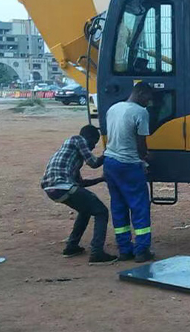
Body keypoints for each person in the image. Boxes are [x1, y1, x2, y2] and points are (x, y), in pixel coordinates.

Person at [41, 124, 117, 264]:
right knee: (101, 212)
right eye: (93, 143)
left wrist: (101, 179)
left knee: (85, 209)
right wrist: (109, 152)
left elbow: (80, 184)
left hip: (52, 188)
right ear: (88, 137)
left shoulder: (72, 155)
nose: (93, 147)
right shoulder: (78, 139)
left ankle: (71, 247)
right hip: (62, 185)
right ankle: (97, 253)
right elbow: (93, 163)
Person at [104, 82, 154, 263]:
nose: (148, 102)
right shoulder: (140, 112)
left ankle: (124, 250)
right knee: (139, 207)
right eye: (147, 98)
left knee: (118, 207)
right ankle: (142, 250)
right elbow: (141, 146)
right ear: (140, 93)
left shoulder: (113, 108)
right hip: (129, 165)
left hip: (110, 162)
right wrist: (148, 157)